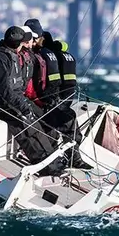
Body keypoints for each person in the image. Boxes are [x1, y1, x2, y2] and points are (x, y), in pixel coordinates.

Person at [0, 26, 65, 175]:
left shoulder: (9, 54)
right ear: (19, 45)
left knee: (39, 120)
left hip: (13, 99)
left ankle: (53, 161)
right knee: (26, 125)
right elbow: (4, 90)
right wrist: (23, 106)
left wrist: (25, 104)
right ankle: (46, 166)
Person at [25, 19, 92, 170]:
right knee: (68, 123)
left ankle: (59, 158)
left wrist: (47, 100)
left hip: (49, 100)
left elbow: (43, 82)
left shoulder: (41, 55)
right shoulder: (60, 54)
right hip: (65, 98)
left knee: (53, 125)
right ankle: (73, 158)